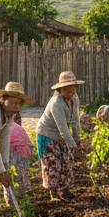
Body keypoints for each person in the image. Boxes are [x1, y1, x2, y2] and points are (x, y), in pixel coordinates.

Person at [37, 70, 85, 201]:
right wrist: (74, 147)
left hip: (61, 136)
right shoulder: (56, 103)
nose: (71, 92)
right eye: (67, 90)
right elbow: (63, 129)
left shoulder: (74, 98)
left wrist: (77, 140)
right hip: (47, 135)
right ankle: (54, 194)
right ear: (61, 88)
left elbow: (75, 120)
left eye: (73, 89)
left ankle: (65, 190)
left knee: (67, 162)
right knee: (53, 164)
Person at [8, 114, 34, 200]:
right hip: (18, 154)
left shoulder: (8, 127)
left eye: (20, 119)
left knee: (15, 174)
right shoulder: (17, 129)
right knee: (19, 174)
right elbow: (29, 143)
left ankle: (14, 196)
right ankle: (19, 194)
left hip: (13, 154)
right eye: (17, 119)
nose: (19, 121)